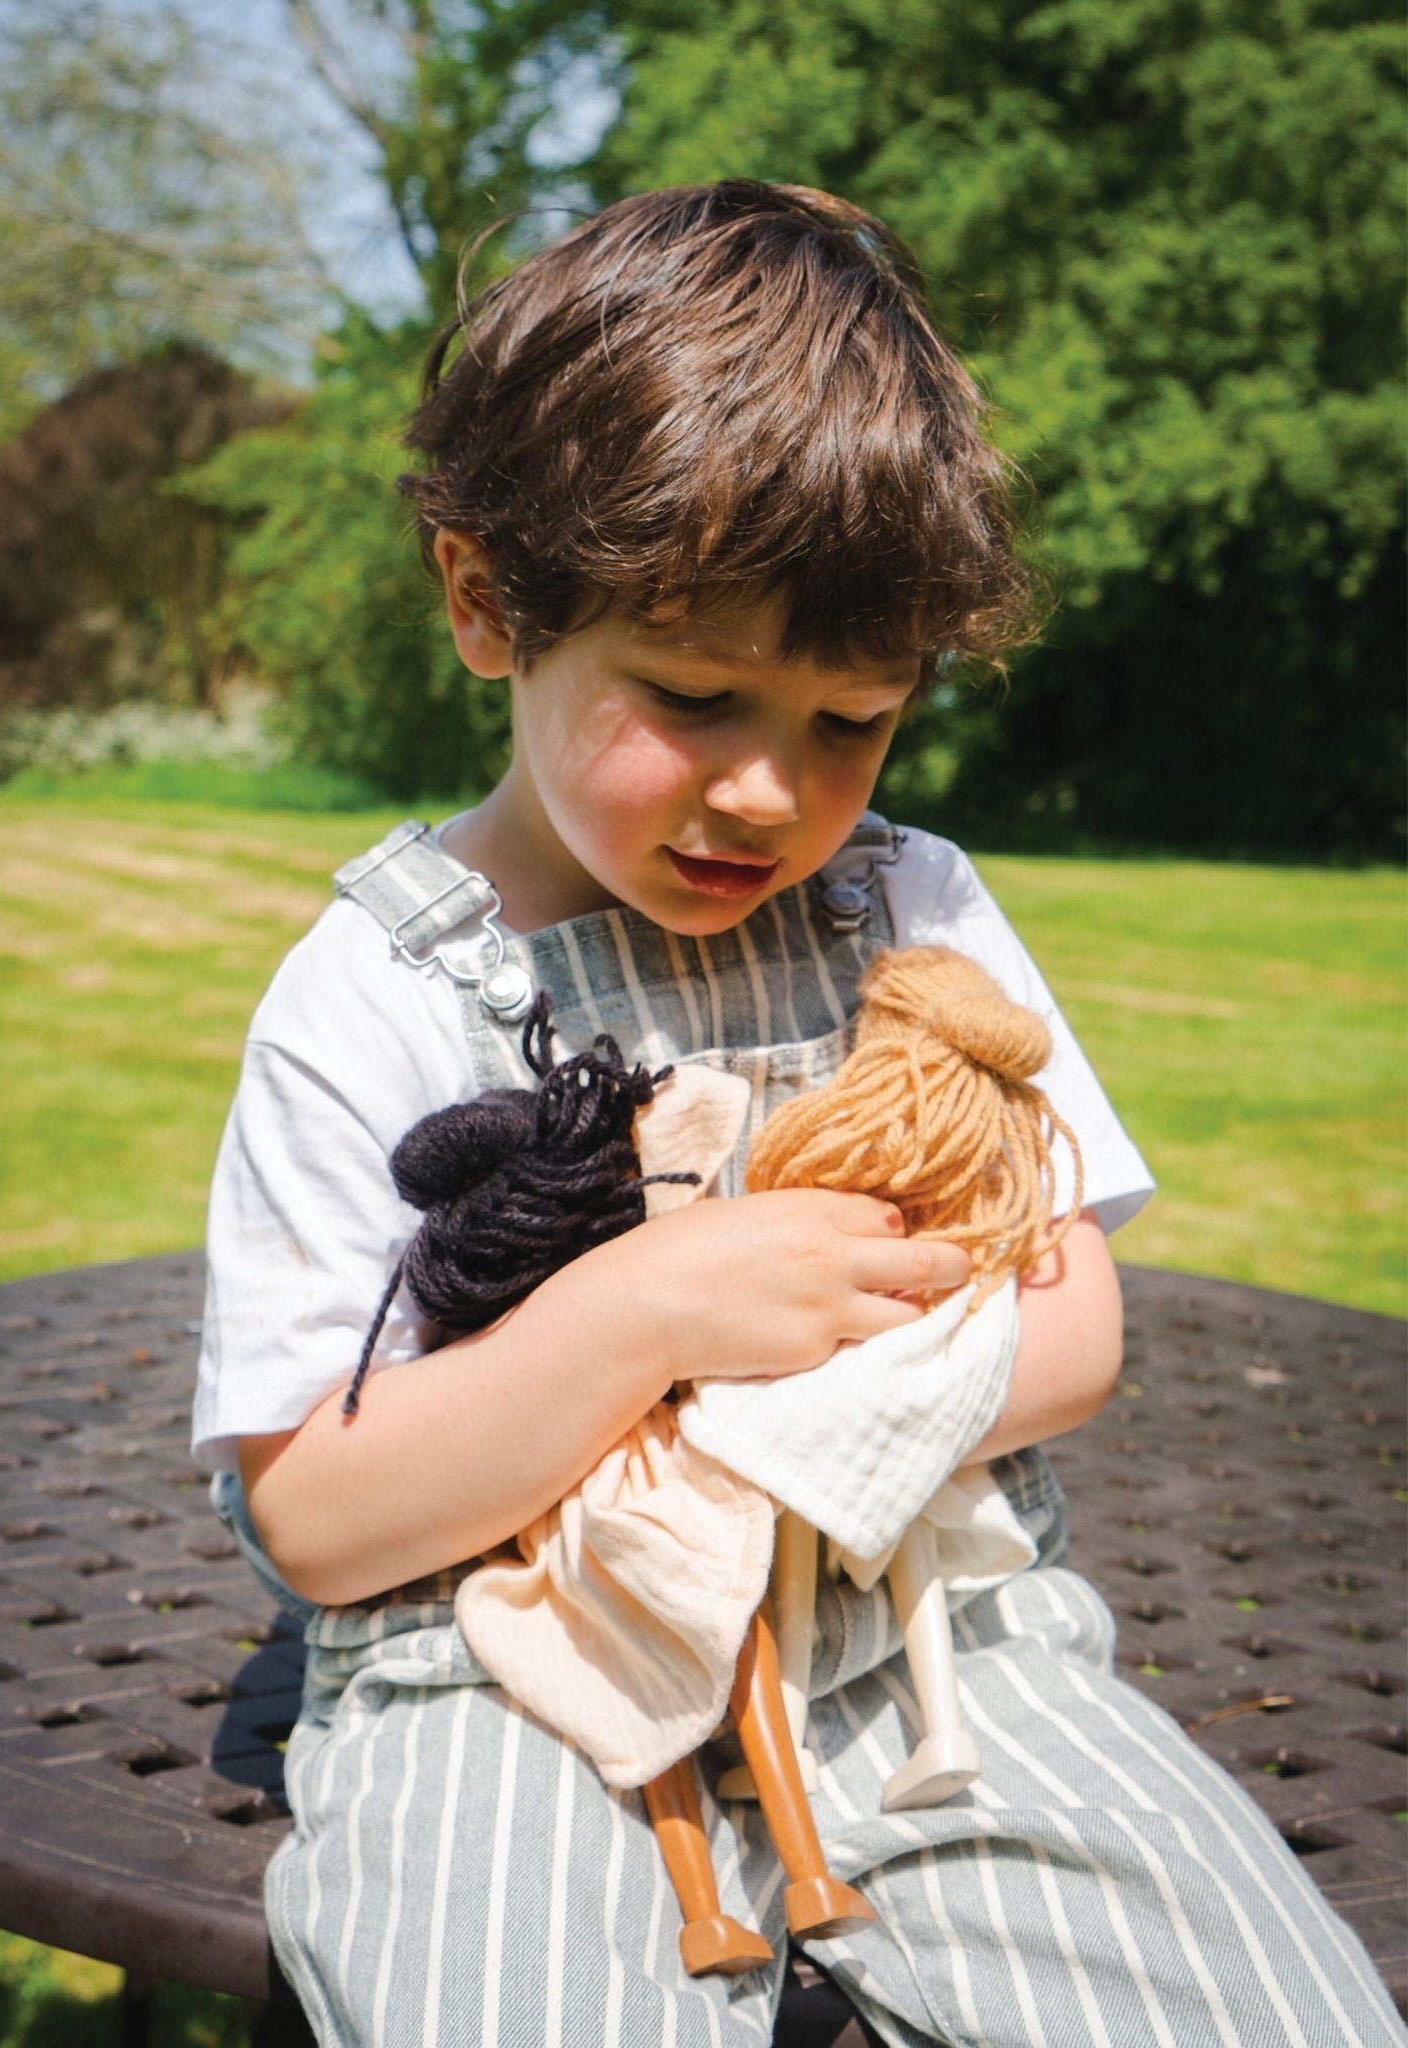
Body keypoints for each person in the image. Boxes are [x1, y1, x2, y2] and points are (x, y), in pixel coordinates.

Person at [192, 181, 1402, 2046]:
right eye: (694, 694)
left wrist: (749, 1420)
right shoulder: (378, 990)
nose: (770, 791)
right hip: (511, 1679)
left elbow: (1068, 1325)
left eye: (853, 719)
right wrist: (640, 1318)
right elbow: (324, 1517)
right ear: (486, 602)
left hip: (933, 1653)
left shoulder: (909, 911)